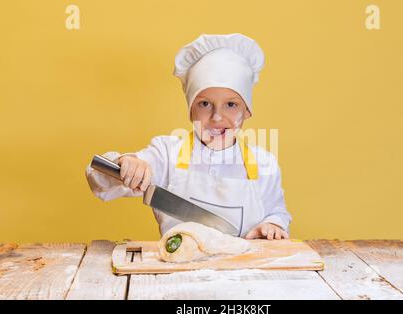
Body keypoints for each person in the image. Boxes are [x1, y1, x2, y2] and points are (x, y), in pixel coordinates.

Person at [86, 33, 291, 240]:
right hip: (178, 267)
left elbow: (277, 212)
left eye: (231, 104)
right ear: (191, 110)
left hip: (247, 267)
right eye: (204, 104)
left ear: (247, 111)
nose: (217, 116)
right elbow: (99, 182)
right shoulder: (166, 154)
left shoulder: (264, 162)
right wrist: (127, 164)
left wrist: (272, 224)